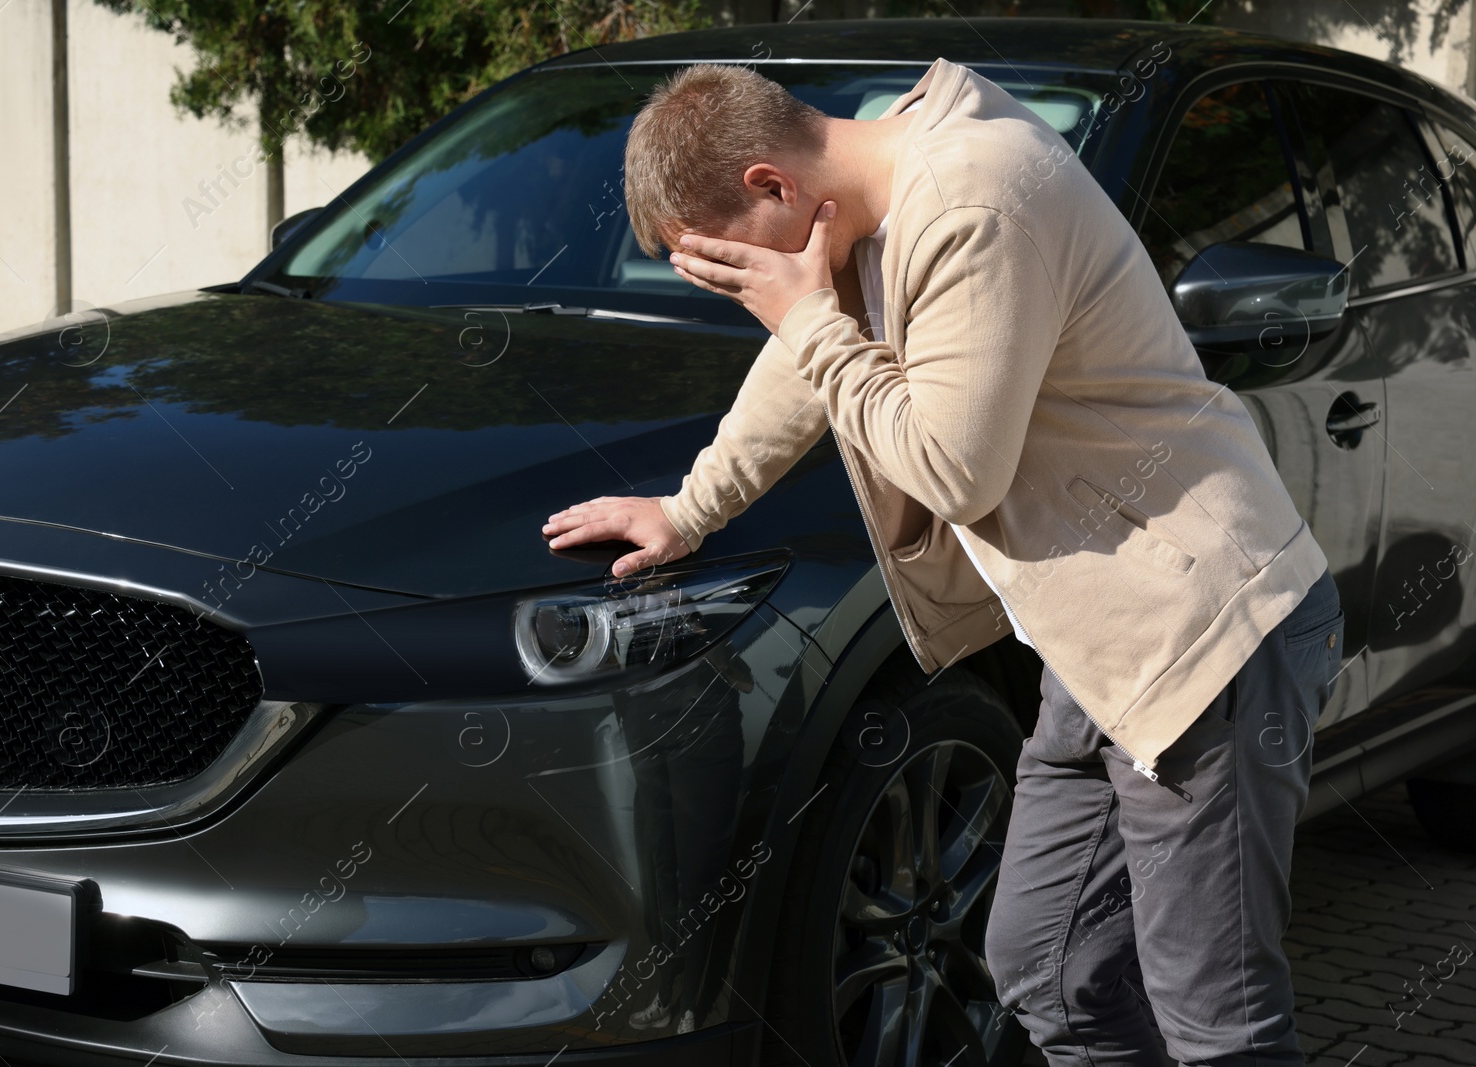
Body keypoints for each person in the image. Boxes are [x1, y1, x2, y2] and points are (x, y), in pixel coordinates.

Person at [541, 58, 1344, 1066]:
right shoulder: (875, 192)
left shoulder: (975, 201)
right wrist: (688, 510)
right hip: (1100, 650)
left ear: (769, 185)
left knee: (1215, 1020)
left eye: (733, 268)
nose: (750, 293)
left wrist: (803, 315)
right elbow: (809, 358)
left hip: (1206, 636)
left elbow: (953, 469)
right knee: (1050, 969)